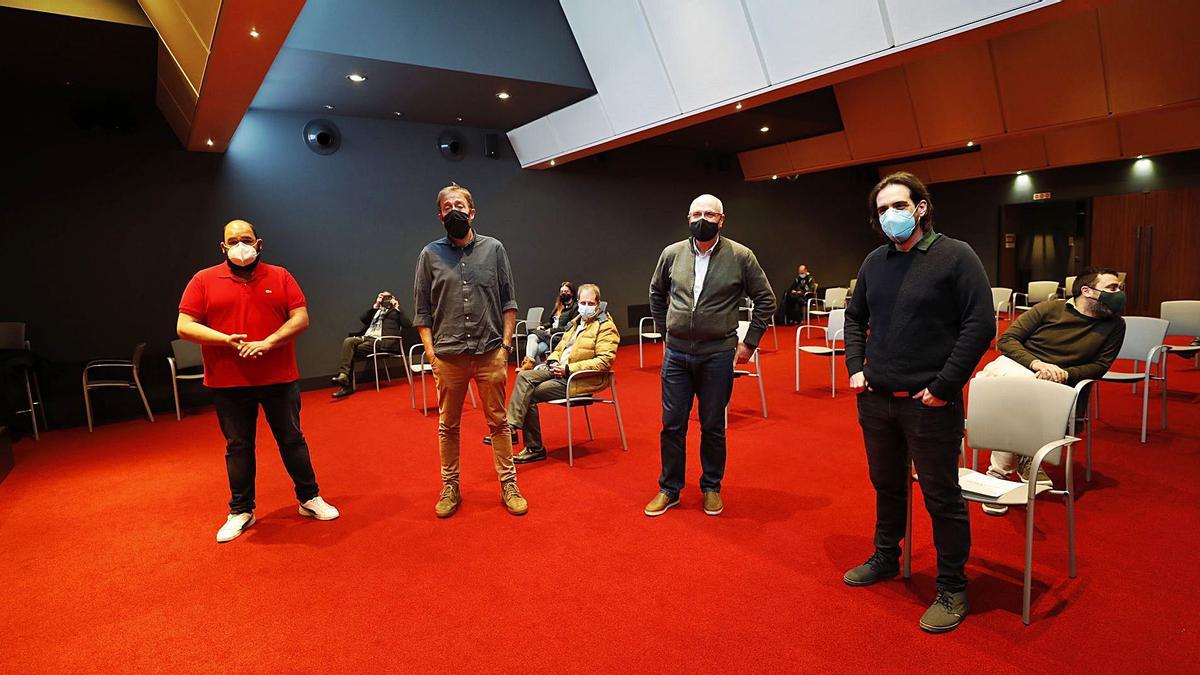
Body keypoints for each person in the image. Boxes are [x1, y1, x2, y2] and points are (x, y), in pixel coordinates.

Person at [842, 172, 993, 633]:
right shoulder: (875, 261)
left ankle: (951, 586)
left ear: (921, 207)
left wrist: (946, 386)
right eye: (883, 210)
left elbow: (979, 325)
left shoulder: (956, 255)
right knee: (886, 485)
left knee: (941, 497)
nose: (891, 216)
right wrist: (856, 367)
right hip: (877, 399)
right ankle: (887, 556)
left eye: (898, 206)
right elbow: (855, 317)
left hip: (929, 404)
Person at [177, 219, 339, 544]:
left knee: (292, 440)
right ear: (223, 247)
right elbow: (184, 325)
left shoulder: (280, 276)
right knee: (238, 447)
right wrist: (225, 340)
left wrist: (269, 341)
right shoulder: (203, 280)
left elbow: (301, 317)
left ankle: (310, 498)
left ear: (259, 243)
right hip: (228, 383)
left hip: (279, 378)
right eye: (233, 241)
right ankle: (241, 511)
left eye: (246, 239)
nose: (240, 245)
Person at [645, 194, 776, 518]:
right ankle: (669, 488)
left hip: (717, 355)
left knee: (713, 425)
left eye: (709, 214)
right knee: (672, 425)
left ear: (722, 219)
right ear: (688, 218)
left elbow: (766, 300)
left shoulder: (741, 256)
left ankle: (711, 487)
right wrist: (666, 330)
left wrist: (749, 344)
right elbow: (656, 292)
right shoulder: (672, 254)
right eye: (696, 213)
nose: (702, 219)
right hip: (676, 355)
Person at [414, 183, 528, 518]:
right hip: (448, 356)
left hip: (490, 352)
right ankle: (450, 486)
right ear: (440, 215)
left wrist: (506, 347)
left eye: (459, 205)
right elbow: (422, 311)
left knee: (499, 422)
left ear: (472, 211)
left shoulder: (494, 249)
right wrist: (433, 357)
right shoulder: (429, 255)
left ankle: (509, 483)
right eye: (447, 207)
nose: (454, 211)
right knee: (448, 425)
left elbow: (509, 302)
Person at [978, 267, 1126, 515]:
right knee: (1019, 386)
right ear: (1087, 291)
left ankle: (1000, 472)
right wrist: (1037, 364)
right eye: (1112, 288)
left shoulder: (1115, 326)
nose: (1119, 293)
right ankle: (1016, 462)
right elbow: (1007, 340)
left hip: (1058, 381)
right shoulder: (1050, 308)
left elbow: (1100, 366)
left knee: (1021, 393)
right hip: (1021, 365)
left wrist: (1065, 373)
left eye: (1120, 288)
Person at [498, 284, 619, 463]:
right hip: (559, 371)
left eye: (590, 302)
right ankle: (512, 428)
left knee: (529, 394)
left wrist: (569, 369)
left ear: (598, 303)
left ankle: (531, 445)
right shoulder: (575, 323)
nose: (586, 306)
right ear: (578, 302)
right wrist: (553, 360)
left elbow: (604, 362)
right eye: (583, 302)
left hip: (580, 378)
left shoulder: (605, 326)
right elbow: (559, 347)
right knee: (524, 376)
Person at [331, 291, 413, 398]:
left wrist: (398, 307)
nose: (384, 299)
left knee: (350, 351)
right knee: (348, 341)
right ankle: (343, 375)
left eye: (387, 297)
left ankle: (346, 385)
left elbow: (408, 324)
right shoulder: (376, 311)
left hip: (382, 341)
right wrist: (375, 306)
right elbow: (363, 319)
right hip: (367, 338)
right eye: (382, 297)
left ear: (392, 298)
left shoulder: (395, 312)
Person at [520, 281, 579, 370]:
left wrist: (552, 330)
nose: (563, 294)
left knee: (532, 336)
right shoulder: (559, 306)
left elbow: (570, 327)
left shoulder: (575, 307)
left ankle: (529, 365)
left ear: (572, 293)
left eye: (566, 292)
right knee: (535, 349)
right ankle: (535, 369)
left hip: (560, 337)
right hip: (550, 336)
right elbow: (551, 323)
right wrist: (544, 326)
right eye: (561, 292)